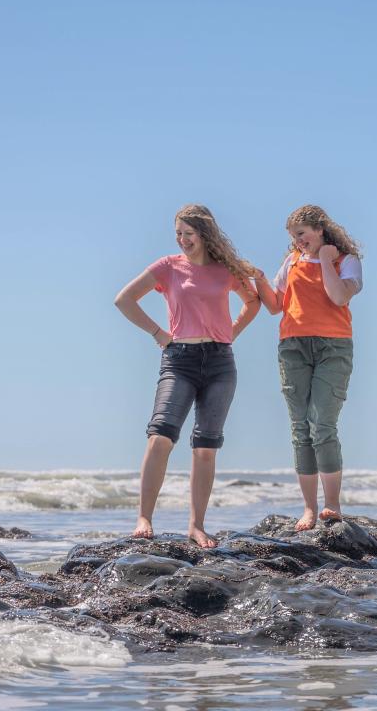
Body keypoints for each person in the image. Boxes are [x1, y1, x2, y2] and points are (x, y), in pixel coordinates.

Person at [114, 204, 260, 548]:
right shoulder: (168, 267)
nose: (182, 240)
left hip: (221, 363)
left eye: (188, 234)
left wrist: (231, 331)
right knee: (160, 436)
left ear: (204, 234)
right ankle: (144, 518)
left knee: (206, 447)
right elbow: (124, 300)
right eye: (178, 234)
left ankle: (197, 526)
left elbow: (252, 302)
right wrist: (157, 333)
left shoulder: (225, 270)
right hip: (179, 359)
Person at [254, 204, 363, 531]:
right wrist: (258, 278)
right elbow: (274, 306)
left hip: (334, 347)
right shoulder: (291, 262)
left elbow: (339, 297)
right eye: (293, 237)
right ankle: (309, 509)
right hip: (293, 347)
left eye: (301, 234)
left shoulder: (347, 261)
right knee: (301, 428)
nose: (298, 241)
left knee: (322, 424)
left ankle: (332, 505)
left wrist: (327, 260)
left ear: (320, 229)